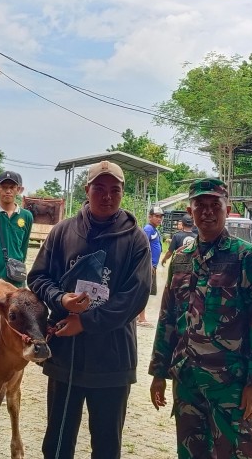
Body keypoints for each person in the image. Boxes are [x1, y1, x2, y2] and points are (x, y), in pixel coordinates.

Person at [27, 160, 151, 459]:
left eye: (115, 190)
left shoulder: (136, 240)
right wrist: (60, 299)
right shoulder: (63, 232)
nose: (107, 196)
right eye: (100, 188)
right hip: (66, 354)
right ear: (87, 190)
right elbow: (38, 276)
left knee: (107, 445)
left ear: (122, 193)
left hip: (113, 358)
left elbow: (135, 296)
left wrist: (87, 322)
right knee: (57, 441)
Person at [148, 178, 252, 458]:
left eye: (214, 205)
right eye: (199, 205)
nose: (207, 212)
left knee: (241, 450)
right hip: (188, 380)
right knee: (192, 452)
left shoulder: (246, 257)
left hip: (230, 382)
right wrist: (159, 371)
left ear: (227, 209)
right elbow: (168, 318)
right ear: (190, 212)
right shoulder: (181, 259)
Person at [136, 205, 165, 326]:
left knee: (146, 291)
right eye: (157, 216)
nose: (159, 219)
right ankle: (141, 318)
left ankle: (139, 315)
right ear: (150, 217)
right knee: (144, 290)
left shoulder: (154, 229)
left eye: (161, 217)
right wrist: (148, 264)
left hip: (152, 265)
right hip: (148, 266)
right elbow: (142, 246)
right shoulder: (148, 229)